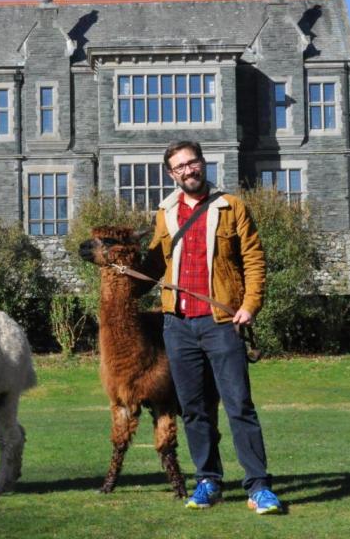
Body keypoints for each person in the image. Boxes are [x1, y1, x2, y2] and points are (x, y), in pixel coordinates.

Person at [138, 140, 282, 515]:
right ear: (171, 174)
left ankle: (259, 486)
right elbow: (155, 265)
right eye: (179, 167)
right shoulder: (165, 213)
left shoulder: (231, 207)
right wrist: (119, 273)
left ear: (203, 164)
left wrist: (250, 306)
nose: (188, 170)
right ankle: (208, 481)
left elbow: (254, 259)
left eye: (192, 162)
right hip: (178, 325)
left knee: (239, 406)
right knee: (195, 409)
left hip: (222, 323)